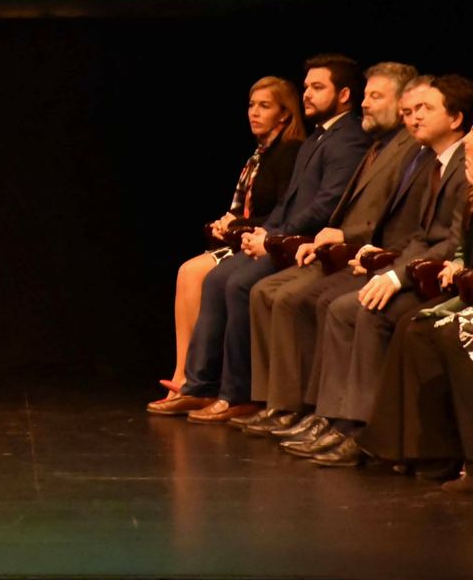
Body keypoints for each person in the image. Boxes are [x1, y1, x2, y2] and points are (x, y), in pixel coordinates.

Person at [152, 54, 371, 422]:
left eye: (318, 87)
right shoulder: (320, 137)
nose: (307, 94)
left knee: (238, 283)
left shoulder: (347, 139)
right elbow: (290, 201)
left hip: (305, 244)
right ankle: (199, 385)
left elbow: (325, 203)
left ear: (345, 94)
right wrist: (261, 232)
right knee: (221, 277)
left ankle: (237, 393)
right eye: (306, 87)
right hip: (282, 237)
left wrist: (272, 236)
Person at [291, 74, 471, 466]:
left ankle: (363, 432)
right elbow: (423, 236)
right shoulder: (436, 162)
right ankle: (337, 420)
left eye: (425, 108)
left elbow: (450, 243)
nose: (414, 117)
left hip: (442, 275)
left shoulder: (462, 161)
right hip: (421, 264)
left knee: (367, 310)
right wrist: (391, 265)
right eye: (410, 110)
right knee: (344, 305)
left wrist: (396, 274)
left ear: (455, 118)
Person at [235, 62, 422, 436]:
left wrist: (341, 238)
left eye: (375, 96)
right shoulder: (376, 144)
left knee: (307, 300)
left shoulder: (404, 148)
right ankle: (284, 404)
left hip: (378, 258)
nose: (365, 104)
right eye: (366, 95)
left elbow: (389, 220)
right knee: (267, 290)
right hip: (351, 251)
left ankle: (329, 417)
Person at [154, 77, 304, 401]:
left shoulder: (289, 152)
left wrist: (239, 225)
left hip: (264, 242)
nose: (254, 112)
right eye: (251, 105)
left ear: (285, 113)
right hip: (241, 238)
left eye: (265, 106)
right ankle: (184, 375)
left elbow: (283, 211)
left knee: (193, 273)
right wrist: (227, 222)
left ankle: (192, 380)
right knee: (188, 271)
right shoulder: (258, 155)